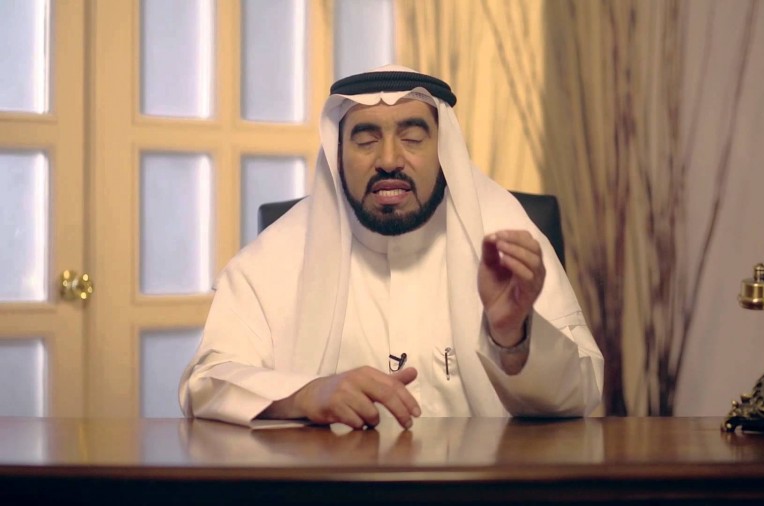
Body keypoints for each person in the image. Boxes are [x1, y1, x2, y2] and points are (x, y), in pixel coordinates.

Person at [178, 65, 604, 430]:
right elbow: (206, 381)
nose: (388, 160)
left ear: (444, 152)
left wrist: (514, 338)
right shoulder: (280, 254)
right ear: (338, 155)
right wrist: (304, 394)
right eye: (365, 141)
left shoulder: (504, 237)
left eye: (413, 138)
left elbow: (583, 394)